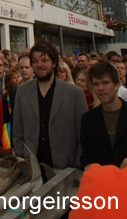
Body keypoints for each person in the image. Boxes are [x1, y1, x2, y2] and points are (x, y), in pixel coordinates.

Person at [13, 39, 87, 169]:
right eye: (35, 61)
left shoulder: (74, 94)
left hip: (64, 167)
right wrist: (23, 155)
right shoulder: (22, 91)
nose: (39, 65)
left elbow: (83, 134)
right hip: (32, 167)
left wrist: (76, 164)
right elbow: (18, 131)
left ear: (54, 63)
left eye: (44, 60)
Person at [81, 62, 127, 169]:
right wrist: (90, 167)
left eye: (105, 83)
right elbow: (86, 156)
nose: (100, 88)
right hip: (102, 182)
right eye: (96, 84)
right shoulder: (88, 119)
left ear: (117, 85)